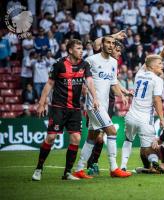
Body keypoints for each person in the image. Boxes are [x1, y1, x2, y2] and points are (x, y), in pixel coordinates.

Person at [31, 39, 99, 181]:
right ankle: (38, 169)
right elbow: (49, 84)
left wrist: (95, 98)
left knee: (76, 138)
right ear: (70, 50)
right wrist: (42, 103)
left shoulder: (84, 65)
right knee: (51, 137)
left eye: (82, 48)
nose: (82, 51)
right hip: (58, 107)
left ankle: (67, 173)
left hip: (74, 108)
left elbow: (90, 82)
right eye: (78, 48)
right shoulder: (59, 64)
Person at [72, 36, 131, 179]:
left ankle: (79, 169)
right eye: (108, 43)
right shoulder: (91, 60)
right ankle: (114, 168)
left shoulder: (113, 62)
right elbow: (79, 75)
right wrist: (84, 87)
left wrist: (123, 94)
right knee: (111, 131)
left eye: (113, 43)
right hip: (94, 104)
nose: (111, 45)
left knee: (92, 137)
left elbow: (113, 84)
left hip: (104, 105)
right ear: (102, 44)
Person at [119, 52, 164, 173]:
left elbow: (147, 63)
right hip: (145, 118)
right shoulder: (158, 80)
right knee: (149, 148)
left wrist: (160, 55)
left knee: (128, 139)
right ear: (152, 66)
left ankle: (123, 166)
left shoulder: (139, 75)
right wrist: (161, 119)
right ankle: (154, 162)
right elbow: (157, 100)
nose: (162, 66)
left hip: (131, 116)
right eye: (160, 64)